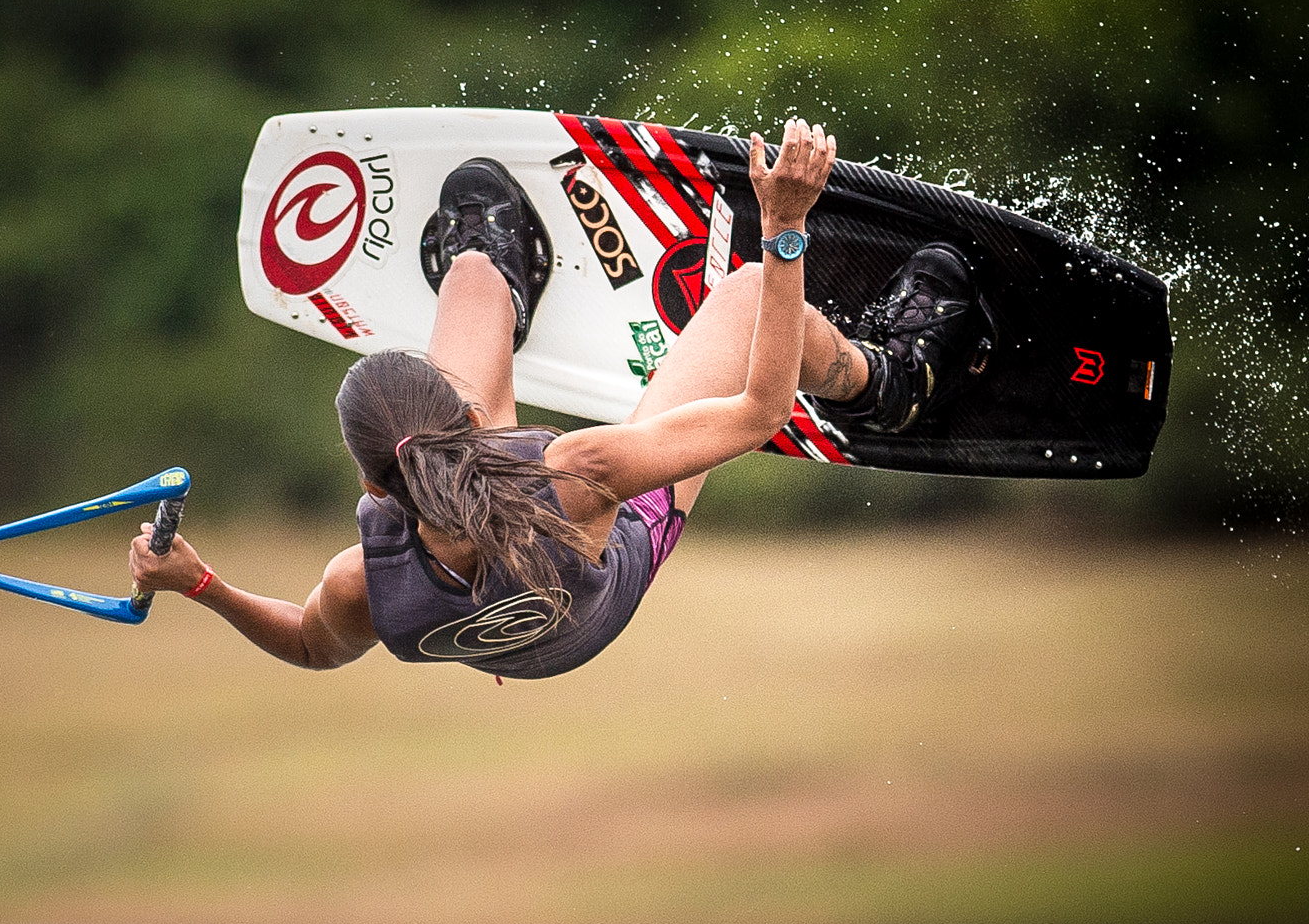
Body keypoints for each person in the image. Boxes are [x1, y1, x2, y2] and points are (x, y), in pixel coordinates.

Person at [130, 118, 986, 678]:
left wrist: (196, 580)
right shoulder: (580, 474)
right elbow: (760, 413)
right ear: (469, 419)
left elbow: (311, 645)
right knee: (750, 293)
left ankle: (499, 271)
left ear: (373, 488)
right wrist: (786, 223)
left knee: (470, 268)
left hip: (522, 630)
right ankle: (891, 380)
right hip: (600, 581)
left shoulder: (361, 586)